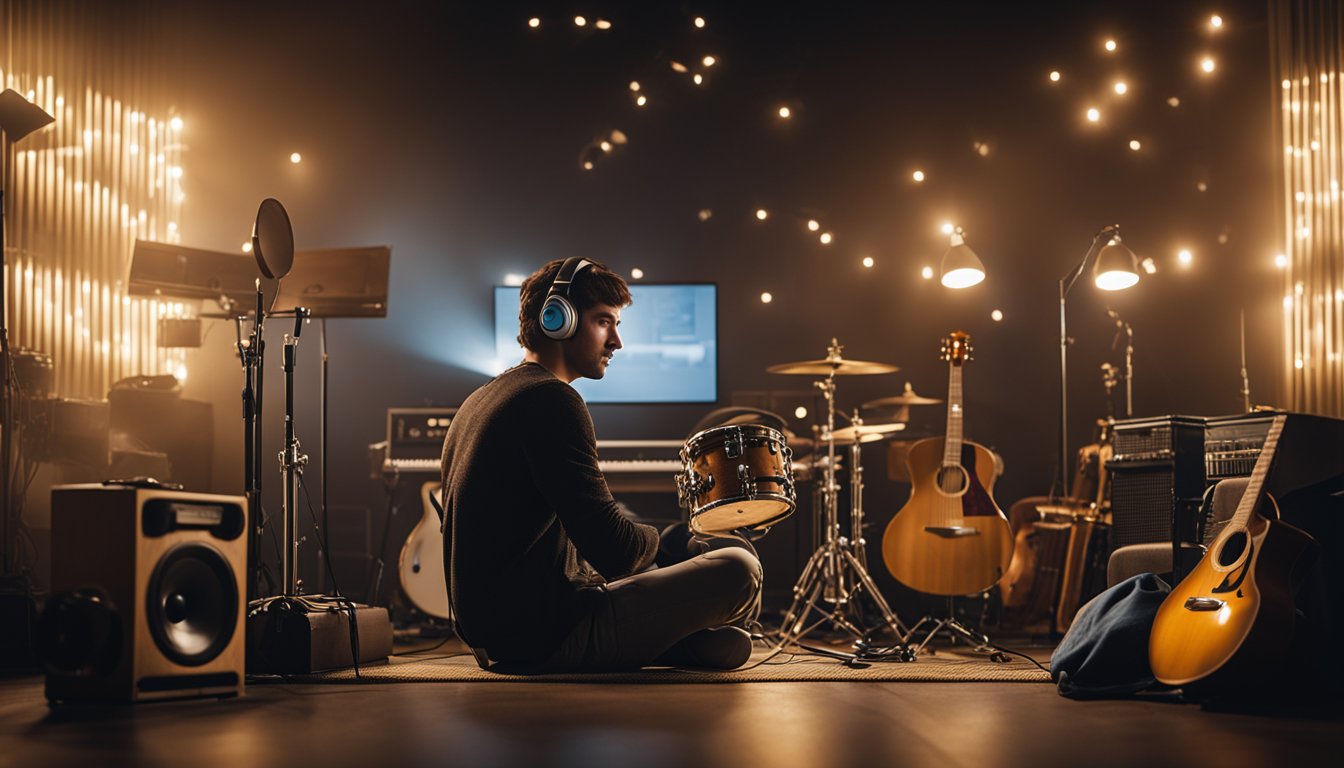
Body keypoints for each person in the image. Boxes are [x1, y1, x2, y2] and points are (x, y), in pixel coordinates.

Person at [439, 257, 761, 672]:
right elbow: (617, 553)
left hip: (493, 635)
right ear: (559, 320)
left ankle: (670, 639)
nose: (617, 342)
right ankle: (655, 635)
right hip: (542, 635)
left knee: (726, 643)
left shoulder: (481, 399)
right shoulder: (551, 399)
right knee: (738, 566)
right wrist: (676, 544)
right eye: (604, 322)